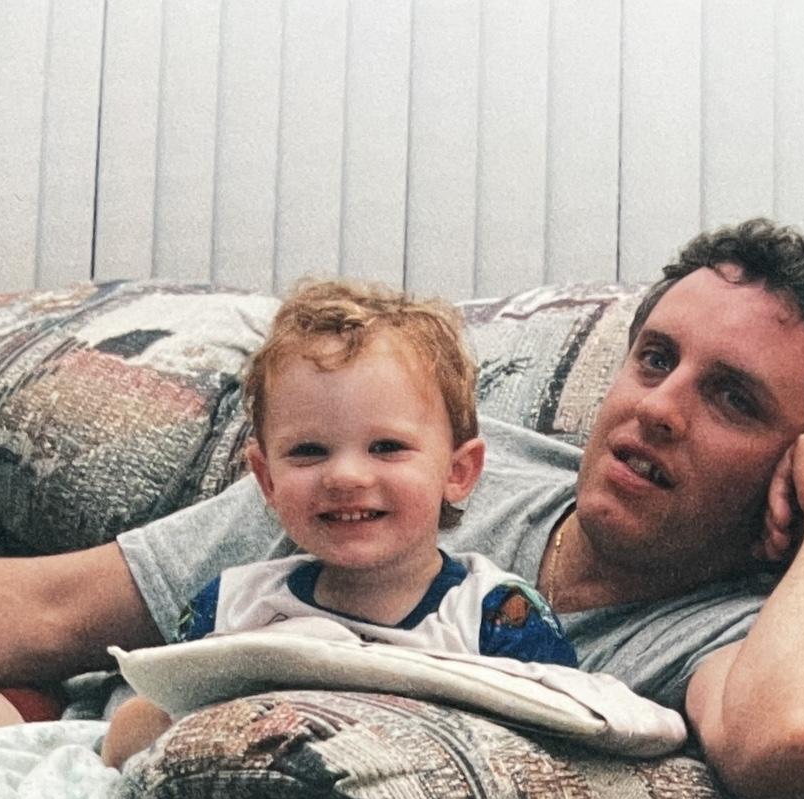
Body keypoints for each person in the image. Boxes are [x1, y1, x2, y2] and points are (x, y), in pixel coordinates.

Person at [0, 218, 804, 799]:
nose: (656, 407)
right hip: (45, 738)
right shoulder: (415, 467)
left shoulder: (722, 638)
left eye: (731, 400)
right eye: (653, 357)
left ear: (792, 469)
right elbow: (54, 606)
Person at [100, 279, 576, 768]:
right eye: (309, 451)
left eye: (387, 447)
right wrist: (152, 724)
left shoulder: (499, 620)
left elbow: (567, 761)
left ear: (458, 472)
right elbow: (136, 739)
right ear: (267, 479)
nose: (346, 476)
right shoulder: (230, 609)